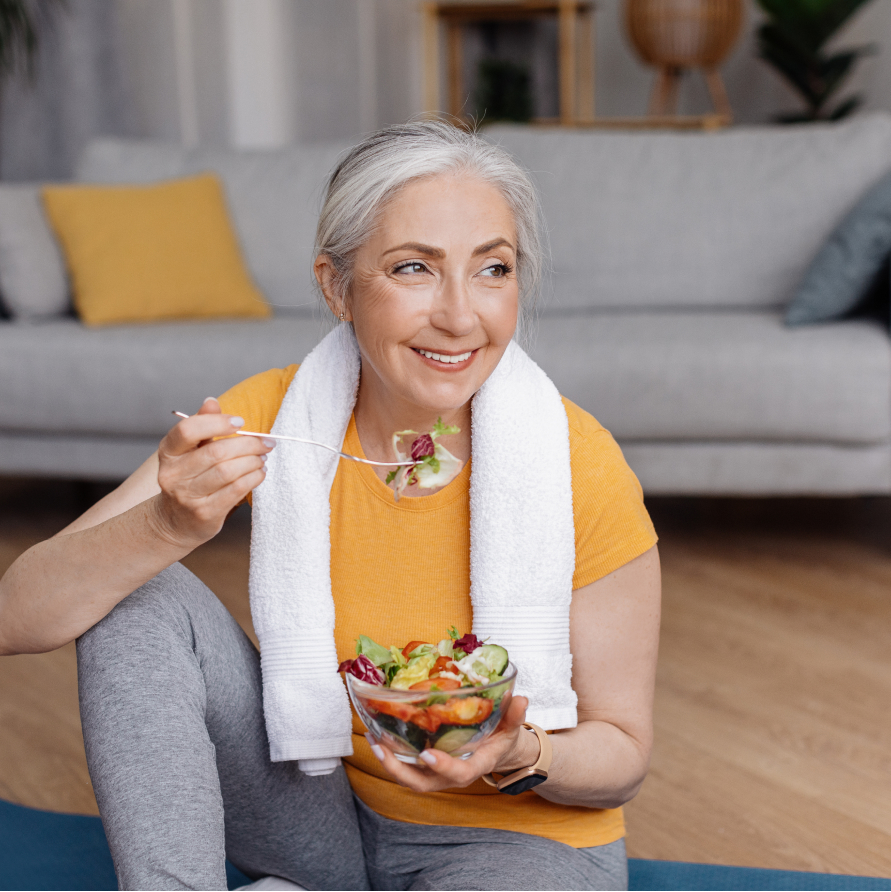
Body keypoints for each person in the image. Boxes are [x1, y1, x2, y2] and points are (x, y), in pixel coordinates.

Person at [0, 120, 661, 891]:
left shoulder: (578, 461)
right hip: (320, 819)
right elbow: (16, 616)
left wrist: (520, 753)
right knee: (133, 593)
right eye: (414, 268)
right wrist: (164, 526)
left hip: (516, 845)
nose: (459, 316)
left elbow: (621, 756)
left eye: (492, 270)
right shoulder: (275, 415)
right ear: (335, 286)